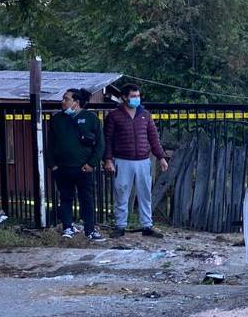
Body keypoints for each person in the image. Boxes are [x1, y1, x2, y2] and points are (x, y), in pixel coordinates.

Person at [103, 83, 168, 238]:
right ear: (124, 97)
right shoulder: (114, 116)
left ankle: (147, 225)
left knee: (145, 193)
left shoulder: (145, 114)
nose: (136, 99)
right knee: (122, 193)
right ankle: (120, 226)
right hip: (122, 160)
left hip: (143, 160)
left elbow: (153, 138)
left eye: (138, 96)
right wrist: (108, 159)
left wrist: (161, 157)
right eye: (133, 96)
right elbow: (107, 140)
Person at [48, 88, 106, 242]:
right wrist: (53, 165)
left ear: (76, 102)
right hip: (62, 168)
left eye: (66, 99)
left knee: (86, 199)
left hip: (83, 168)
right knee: (65, 198)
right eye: (63, 99)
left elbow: (100, 144)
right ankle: (67, 227)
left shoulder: (91, 118)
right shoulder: (56, 120)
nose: (63, 102)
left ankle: (89, 230)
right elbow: (50, 144)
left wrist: (92, 164)